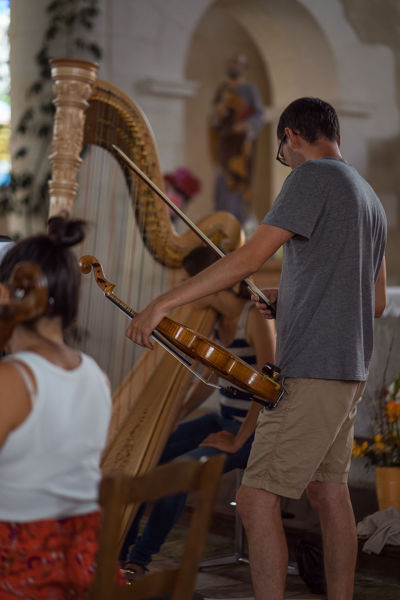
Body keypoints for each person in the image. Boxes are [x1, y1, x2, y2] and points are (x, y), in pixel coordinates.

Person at [125, 97, 387, 600]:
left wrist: (163, 302)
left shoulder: (310, 177)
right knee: (329, 494)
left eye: (281, 152)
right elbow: (373, 302)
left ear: (289, 136)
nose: (284, 161)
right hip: (350, 369)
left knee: (254, 499)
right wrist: (290, 298)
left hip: (311, 369)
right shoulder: (369, 197)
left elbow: (246, 258)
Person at [120, 244, 276, 581]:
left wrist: (238, 442)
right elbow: (208, 379)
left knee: (179, 470)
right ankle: (119, 553)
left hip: (256, 428)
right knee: (149, 453)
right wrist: (178, 415)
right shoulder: (216, 322)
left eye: (190, 282)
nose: (186, 292)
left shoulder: (255, 320)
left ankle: (138, 561)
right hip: (222, 419)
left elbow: (266, 391)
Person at [0, 216, 113, 599]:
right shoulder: (96, 376)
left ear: (5, 294)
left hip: (26, 565)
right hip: (88, 564)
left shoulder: (15, 379)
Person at [209, 52, 266, 232]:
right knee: (222, 180)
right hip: (225, 143)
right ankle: (221, 222)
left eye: (238, 63)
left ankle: (238, 224)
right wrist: (219, 111)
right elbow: (213, 120)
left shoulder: (250, 91)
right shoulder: (223, 90)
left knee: (238, 181)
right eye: (232, 63)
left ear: (244, 68)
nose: (234, 66)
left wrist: (247, 125)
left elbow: (259, 115)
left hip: (241, 147)